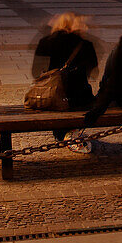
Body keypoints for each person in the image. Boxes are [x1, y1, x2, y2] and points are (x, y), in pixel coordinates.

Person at [32, 13, 99, 148]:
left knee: (58, 103)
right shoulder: (85, 44)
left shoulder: (45, 42)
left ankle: (61, 134)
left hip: (52, 97)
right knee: (80, 99)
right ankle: (71, 132)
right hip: (80, 98)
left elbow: (35, 72)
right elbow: (94, 72)